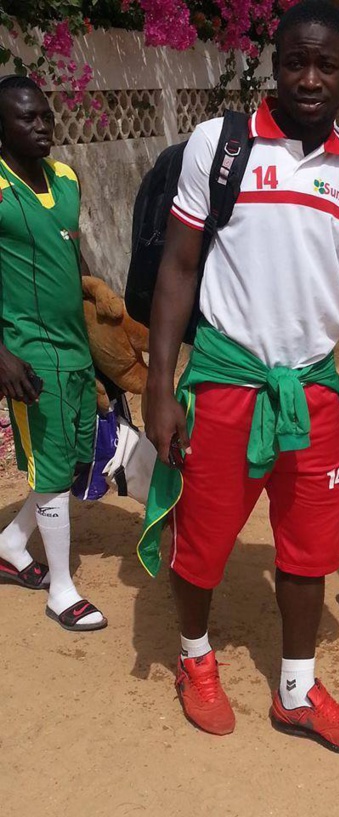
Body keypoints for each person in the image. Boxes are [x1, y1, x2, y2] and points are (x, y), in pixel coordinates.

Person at [140, 0, 339, 753]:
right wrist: (160, 387)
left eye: (327, 63)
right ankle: (195, 661)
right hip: (226, 382)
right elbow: (178, 269)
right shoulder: (219, 147)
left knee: (308, 548)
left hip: (314, 393)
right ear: (274, 62)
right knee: (202, 541)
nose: (310, 77)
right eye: (296, 60)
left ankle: (296, 690)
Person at [0, 75, 106, 632]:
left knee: (66, 463)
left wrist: (99, 324)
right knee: (55, 462)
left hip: (75, 348)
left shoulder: (67, 178)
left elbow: (74, 256)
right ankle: (61, 591)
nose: (42, 126)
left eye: (45, 115)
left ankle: (12, 543)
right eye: (26, 118)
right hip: (27, 352)